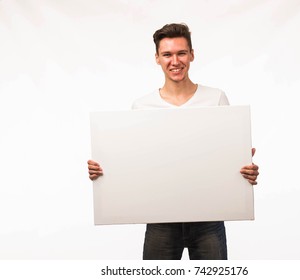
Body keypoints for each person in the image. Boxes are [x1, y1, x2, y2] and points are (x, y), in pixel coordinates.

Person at [87, 23, 259, 260]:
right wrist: (104, 172)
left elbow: (225, 158)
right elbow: (135, 163)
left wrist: (244, 170)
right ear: (157, 58)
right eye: (167, 54)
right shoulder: (142, 106)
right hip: (161, 221)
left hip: (208, 218)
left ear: (192, 55)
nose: (175, 61)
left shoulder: (216, 98)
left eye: (181, 53)